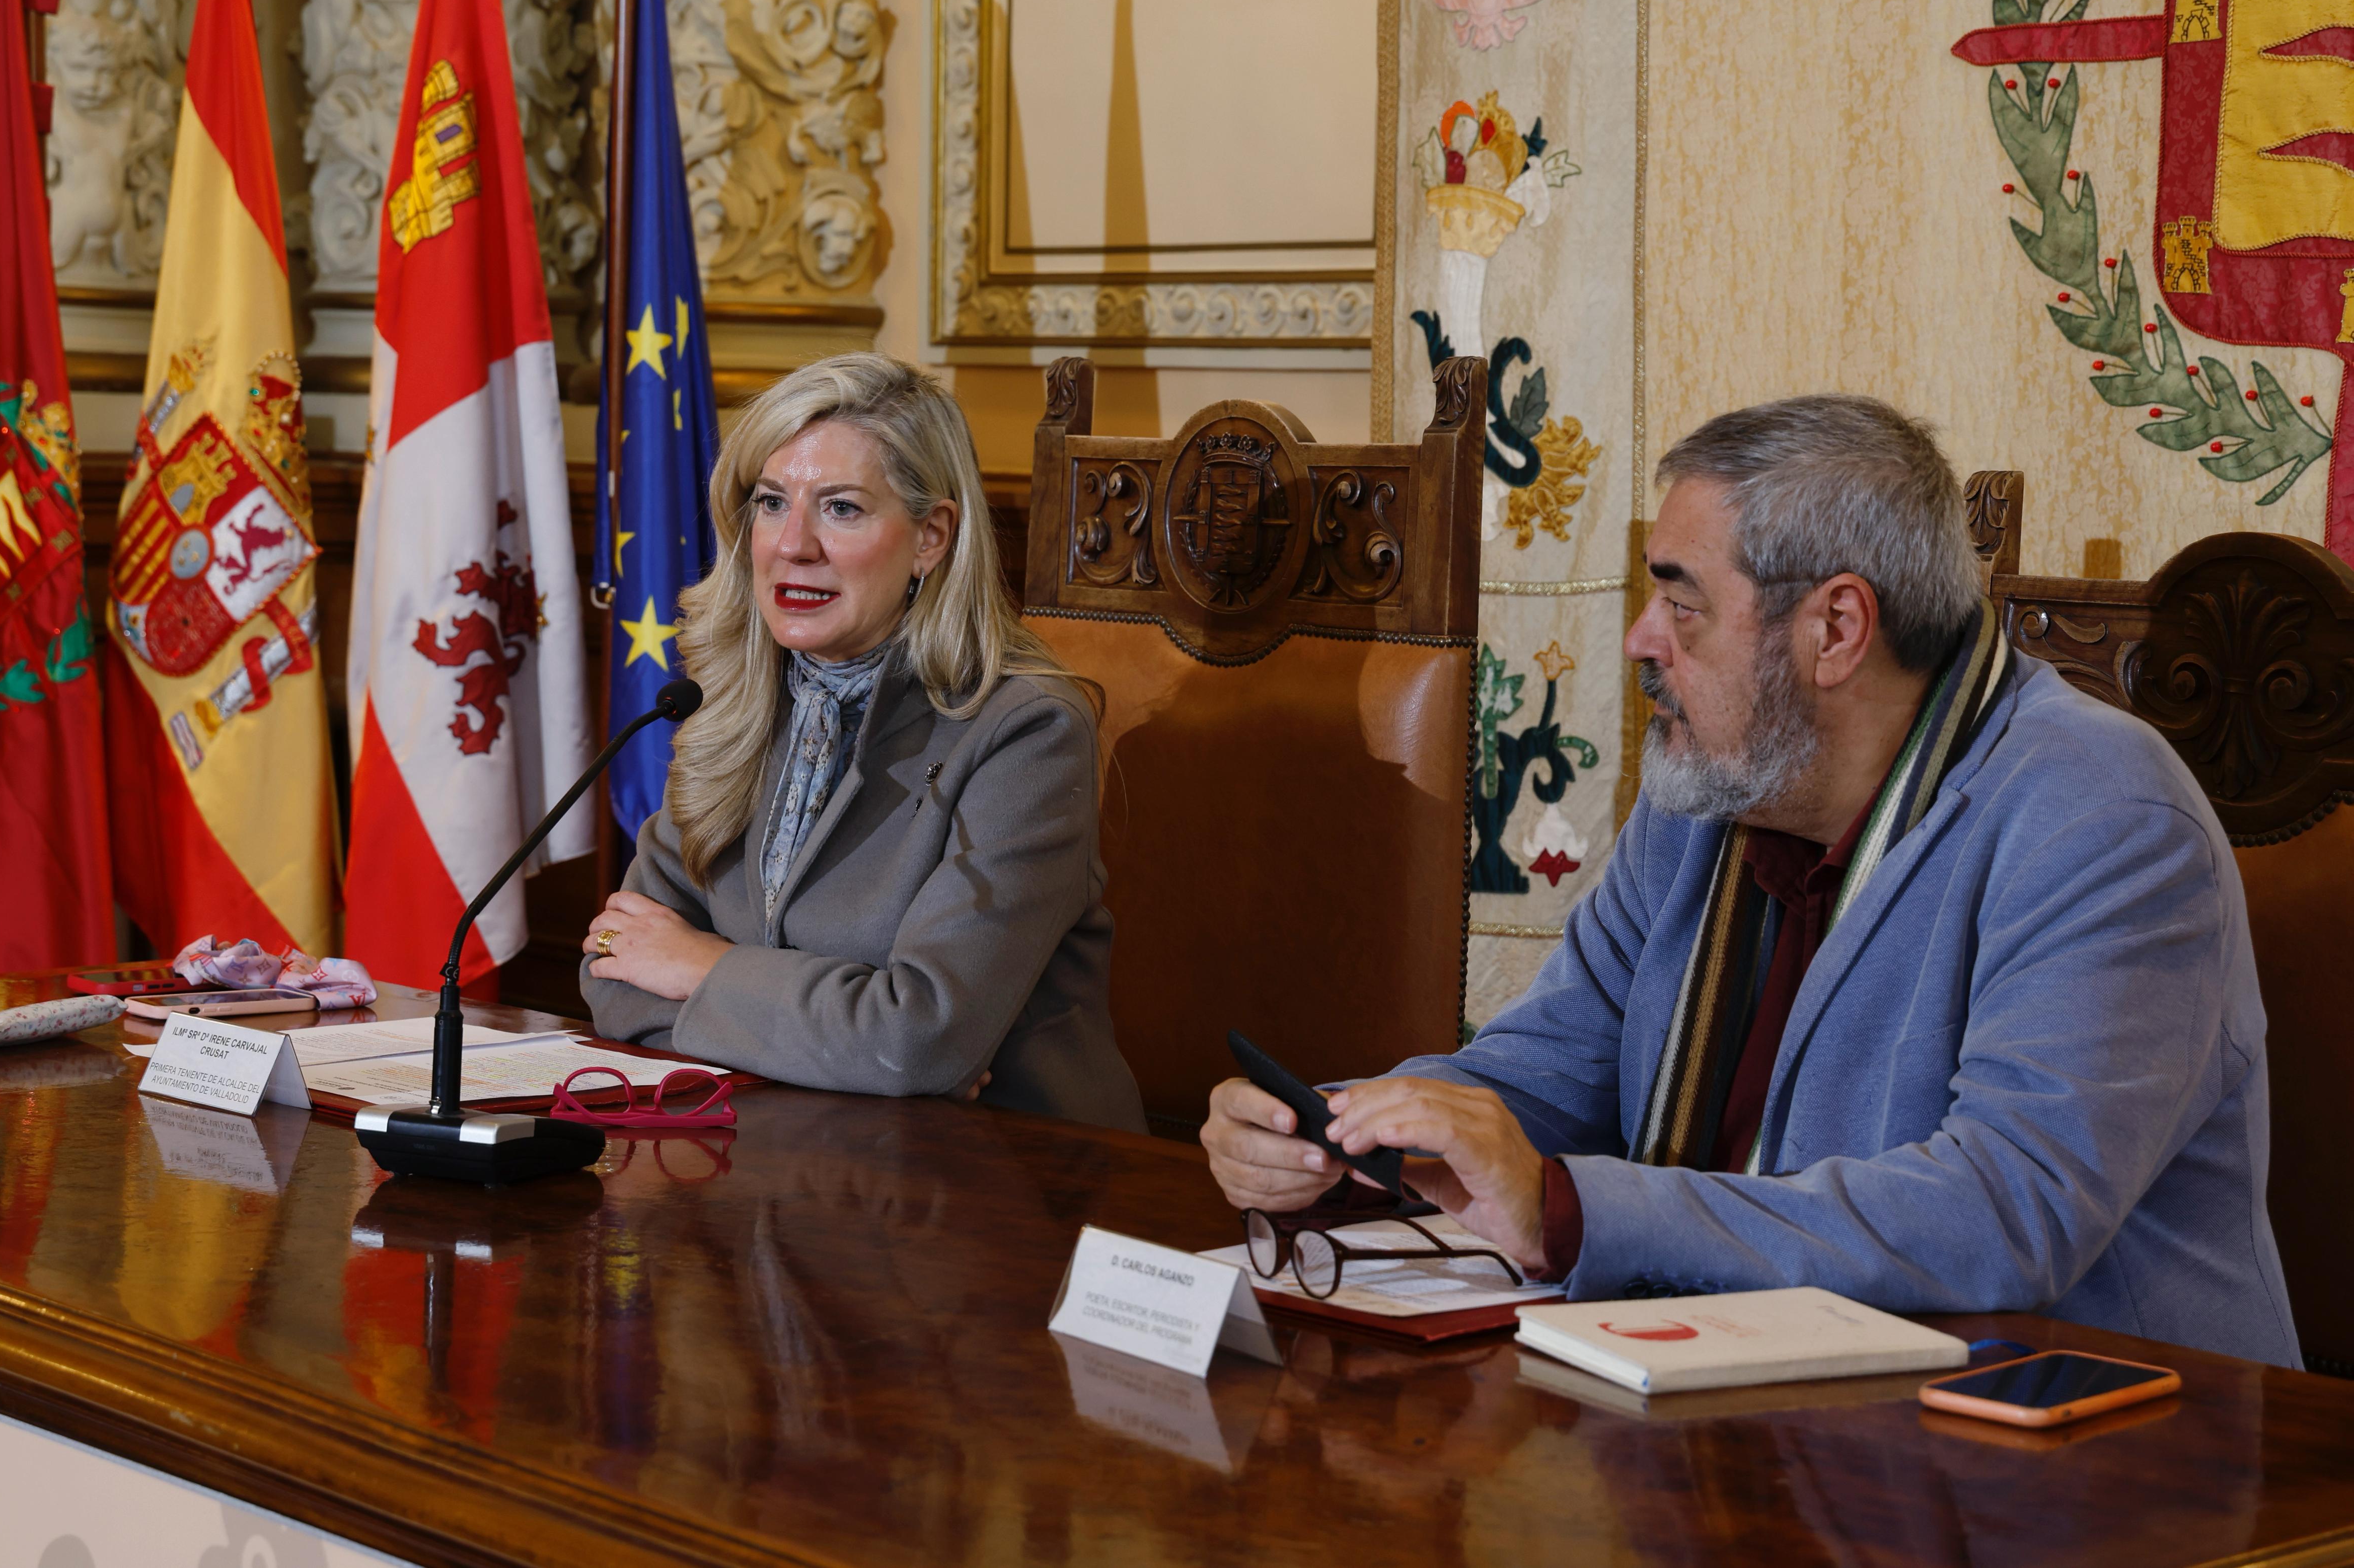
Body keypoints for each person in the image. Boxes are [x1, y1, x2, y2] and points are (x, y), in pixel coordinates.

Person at [1203, 395, 2300, 1366]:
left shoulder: (2104, 819)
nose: (1640, 640)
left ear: (1836, 628)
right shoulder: (1710, 790)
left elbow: (2003, 1216)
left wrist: (1571, 1209)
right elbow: (1547, 1071)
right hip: (1748, 1407)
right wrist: (1345, 1129)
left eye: (1681, 605)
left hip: (2085, 1452)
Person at [579, 353, 1146, 1132]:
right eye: (771, 502)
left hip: (995, 1168)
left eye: (841, 508)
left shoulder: (1027, 731)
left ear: (931, 537)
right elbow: (613, 968)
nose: (793, 544)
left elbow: (918, 1041)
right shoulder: (738, 699)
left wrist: (703, 966)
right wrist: (857, 1047)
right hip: (779, 1152)